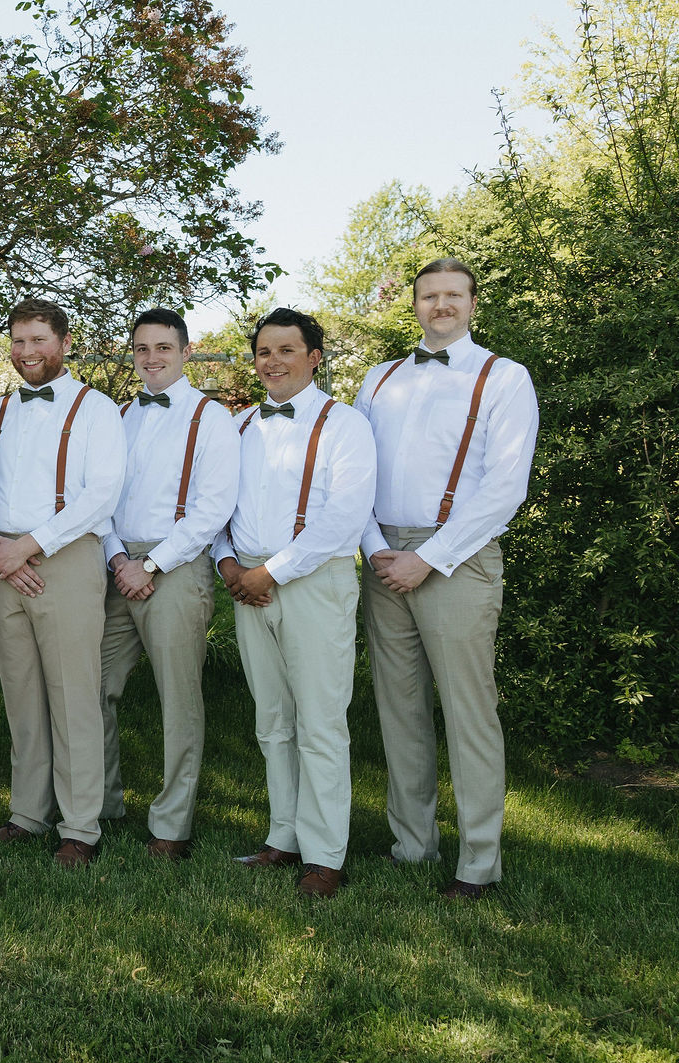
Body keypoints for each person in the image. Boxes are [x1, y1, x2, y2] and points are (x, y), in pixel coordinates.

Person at [355, 259, 538, 900]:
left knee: (469, 712)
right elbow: (356, 477)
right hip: (384, 560)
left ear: (472, 304)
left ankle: (478, 864)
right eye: (429, 296)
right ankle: (412, 844)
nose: (441, 305)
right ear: (414, 305)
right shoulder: (378, 382)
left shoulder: (504, 379)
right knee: (399, 709)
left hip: (458, 557)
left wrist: (428, 557)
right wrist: (378, 550)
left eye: (452, 295)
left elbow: (504, 488)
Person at [214, 308, 376, 899]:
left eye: (287, 350)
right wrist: (229, 564)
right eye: (264, 352)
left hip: (313, 584)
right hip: (246, 584)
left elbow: (343, 519)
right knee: (271, 720)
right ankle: (283, 836)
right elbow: (217, 505)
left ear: (314, 357)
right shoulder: (237, 427)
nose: (273, 362)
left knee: (321, 721)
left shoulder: (344, 425)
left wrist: (271, 573)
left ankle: (326, 853)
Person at [0, 298, 124, 869]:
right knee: (21, 694)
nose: (27, 352)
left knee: (73, 692)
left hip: (63, 556)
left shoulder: (97, 409)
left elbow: (100, 494)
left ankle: (80, 825)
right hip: (0, 560)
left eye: (38, 340)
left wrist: (28, 548)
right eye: (18, 341)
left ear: (62, 343)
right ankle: (27, 814)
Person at [98, 308, 237, 860]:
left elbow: (212, 509)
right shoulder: (120, 416)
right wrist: (117, 560)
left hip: (175, 567)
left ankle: (171, 826)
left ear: (185, 351)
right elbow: (101, 494)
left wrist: (150, 564)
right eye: (141, 349)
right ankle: (101, 803)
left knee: (178, 698)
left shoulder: (211, 418)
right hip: (115, 567)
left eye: (162, 348)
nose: (151, 358)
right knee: (92, 688)